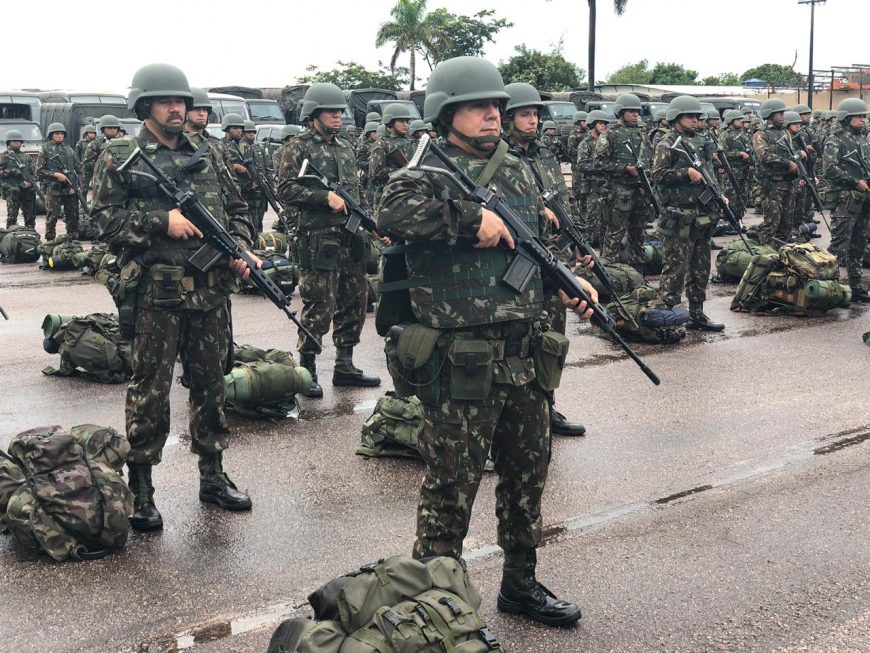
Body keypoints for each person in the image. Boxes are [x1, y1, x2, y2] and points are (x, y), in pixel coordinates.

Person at [378, 56, 594, 628]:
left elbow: (534, 245)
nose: (493, 114)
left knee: (528, 474)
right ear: (447, 112)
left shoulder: (520, 173)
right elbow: (392, 213)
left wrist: (569, 282)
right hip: (461, 362)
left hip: (524, 353)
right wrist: (468, 222)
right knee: (452, 484)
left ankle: (520, 583)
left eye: (496, 106)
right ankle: (434, 600)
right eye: (479, 106)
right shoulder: (422, 172)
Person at [91, 63, 256, 531]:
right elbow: (100, 220)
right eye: (167, 102)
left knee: (211, 385)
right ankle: (142, 489)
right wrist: (159, 222)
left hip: (209, 294)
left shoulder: (209, 153)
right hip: (155, 296)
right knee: (151, 390)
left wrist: (238, 249)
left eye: (181, 101)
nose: (178, 108)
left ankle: (213, 476)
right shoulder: (119, 154)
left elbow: (239, 210)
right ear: (145, 106)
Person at [276, 83, 380, 397]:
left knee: (354, 301)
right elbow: (285, 190)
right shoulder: (298, 146)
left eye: (339, 111)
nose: (337, 116)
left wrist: (371, 221)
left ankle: (344, 366)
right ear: (314, 114)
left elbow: (357, 193)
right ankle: (307, 369)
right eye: (330, 112)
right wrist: (324, 197)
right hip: (318, 239)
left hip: (350, 238)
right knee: (319, 304)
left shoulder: (346, 145)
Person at [502, 81, 586, 437]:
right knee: (512, 344)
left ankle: (545, 406)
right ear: (509, 119)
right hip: (516, 261)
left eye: (535, 114)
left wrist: (580, 245)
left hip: (552, 259)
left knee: (551, 337)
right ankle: (502, 421)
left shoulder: (545, 156)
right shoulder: (500, 159)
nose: (532, 120)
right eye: (525, 114)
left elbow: (563, 206)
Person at [651, 96, 724, 331]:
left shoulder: (701, 142)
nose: (695, 120)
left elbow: (710, 174)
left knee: (701, 267)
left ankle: (696, 314)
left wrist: (719, 195)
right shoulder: (667, 143)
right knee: (675, 268)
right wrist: (685, 172)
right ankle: (668, 316)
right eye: (689, 116)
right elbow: (658, 175)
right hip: (678, 215)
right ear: (676, 118)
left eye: (696, 117)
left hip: (701, 215)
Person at [593, 93, 653, 270]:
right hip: (620, 192)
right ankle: (609, 275)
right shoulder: (610, 135)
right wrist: (625, 169)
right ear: (620, 112)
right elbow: (599, 163)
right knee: (614, 234)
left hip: (640, 192)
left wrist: (646, 184)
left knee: (639, 235)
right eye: (631, 111)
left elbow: (649, 161)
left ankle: (638, 275)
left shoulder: (642, 135)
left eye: (637, 111)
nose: (636, 114)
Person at [823, 98, 870, 302]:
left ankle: (856, 286)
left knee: (859, 244)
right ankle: (830, 289)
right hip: (845, 199)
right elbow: (830, 169)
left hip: (864, 198)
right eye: (859, 116)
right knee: (839, 246)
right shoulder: (836, 139)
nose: (863, 120)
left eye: (864, 116)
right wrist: (854, 182)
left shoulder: (862, 139)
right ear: (847, 117)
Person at [752, 99, 799, 247]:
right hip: (772, 185)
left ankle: (782, 254)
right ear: (769, 114)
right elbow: (764, 156)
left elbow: (790, 153)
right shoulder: (760, 134)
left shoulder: (785, 132)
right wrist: (787, 163)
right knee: (771, 223)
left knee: (787, 223)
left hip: (788, 183)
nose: (782, 116)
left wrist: (798, 157)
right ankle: (765, 255)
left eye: (783, 113)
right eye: (779, 113)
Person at [36, 123, 81, 241]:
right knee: (52, 216)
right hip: (53, 188)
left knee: (73, 216)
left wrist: (75, 186)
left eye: (61, 134)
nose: (60, 136)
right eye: (57, 133)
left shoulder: (69, 150)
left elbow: (79, 170)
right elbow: (39, 171)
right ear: (51, 135)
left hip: (69, 189)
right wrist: (55, 175)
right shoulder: (45, 149)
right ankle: (50, 241)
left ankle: (72, 240)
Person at [576, 110, 612, 245]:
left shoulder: (606, 142)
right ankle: (590, 243)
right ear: (593, 125)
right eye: (601, 124)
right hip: (592, 186)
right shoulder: (586, 143)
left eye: (605, 124)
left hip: (606, 185)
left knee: (606, 217)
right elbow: (581, 165)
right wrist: (600, 166)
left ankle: (603, 243)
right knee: (592, 217)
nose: (604, 127)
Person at [369, 103, 414, 206]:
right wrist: (402, 171)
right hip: (389, 196)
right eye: (401, 121)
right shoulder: (381, 144)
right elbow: (375, 174)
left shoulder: (411, 142)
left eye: (407, 121)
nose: (406, 125)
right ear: (390, 122)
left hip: (410, 193)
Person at [0, 130, 38, 228]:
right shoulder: (4, 156)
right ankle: (11, 235)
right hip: (12, 190)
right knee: (12, 216)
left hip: (27, 190)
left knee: (30, 216)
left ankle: (30, 235)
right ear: (8, 143)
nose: (17, 143)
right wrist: (12, 171)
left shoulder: (26, 157)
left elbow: (34, 173)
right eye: (13, 141)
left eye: (18, 141)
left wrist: (30, 182)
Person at [83, 115, 123, 193]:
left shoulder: (123, 143)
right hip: (102, 179)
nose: (112, 130)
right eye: (109, 128)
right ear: (103, 129)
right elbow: (88, 164)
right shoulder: (95, 144)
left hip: (120, 178)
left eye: (114, 128)